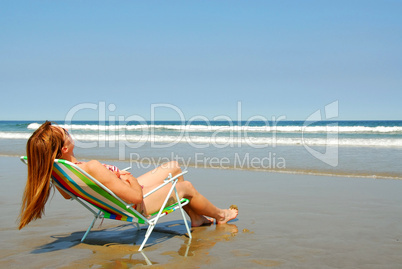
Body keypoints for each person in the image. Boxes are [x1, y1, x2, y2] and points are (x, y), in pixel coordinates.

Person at [18, 121, 238, 230]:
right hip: (134, 202)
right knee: (186, 187)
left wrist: (119, 180)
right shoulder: (91, 167)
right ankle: (220, 216)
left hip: (118, 198)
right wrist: (128, 178)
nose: (68, 131)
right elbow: (135, 198)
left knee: (173, 167)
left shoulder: (61, 172)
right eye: (65, 133)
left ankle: (197, 218)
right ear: (64, 148)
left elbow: (69, 196)